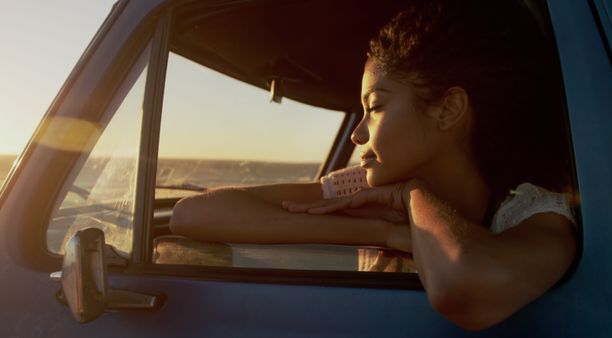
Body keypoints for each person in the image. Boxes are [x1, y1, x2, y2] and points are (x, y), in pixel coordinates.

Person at [170, 0, 577, 331]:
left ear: (448, 109)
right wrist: (384, 231)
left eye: (376, 107)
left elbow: (462, 288)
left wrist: (411, 195)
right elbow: (193, 214)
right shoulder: (363, 191)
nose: (357, 134)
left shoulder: (535, 214)